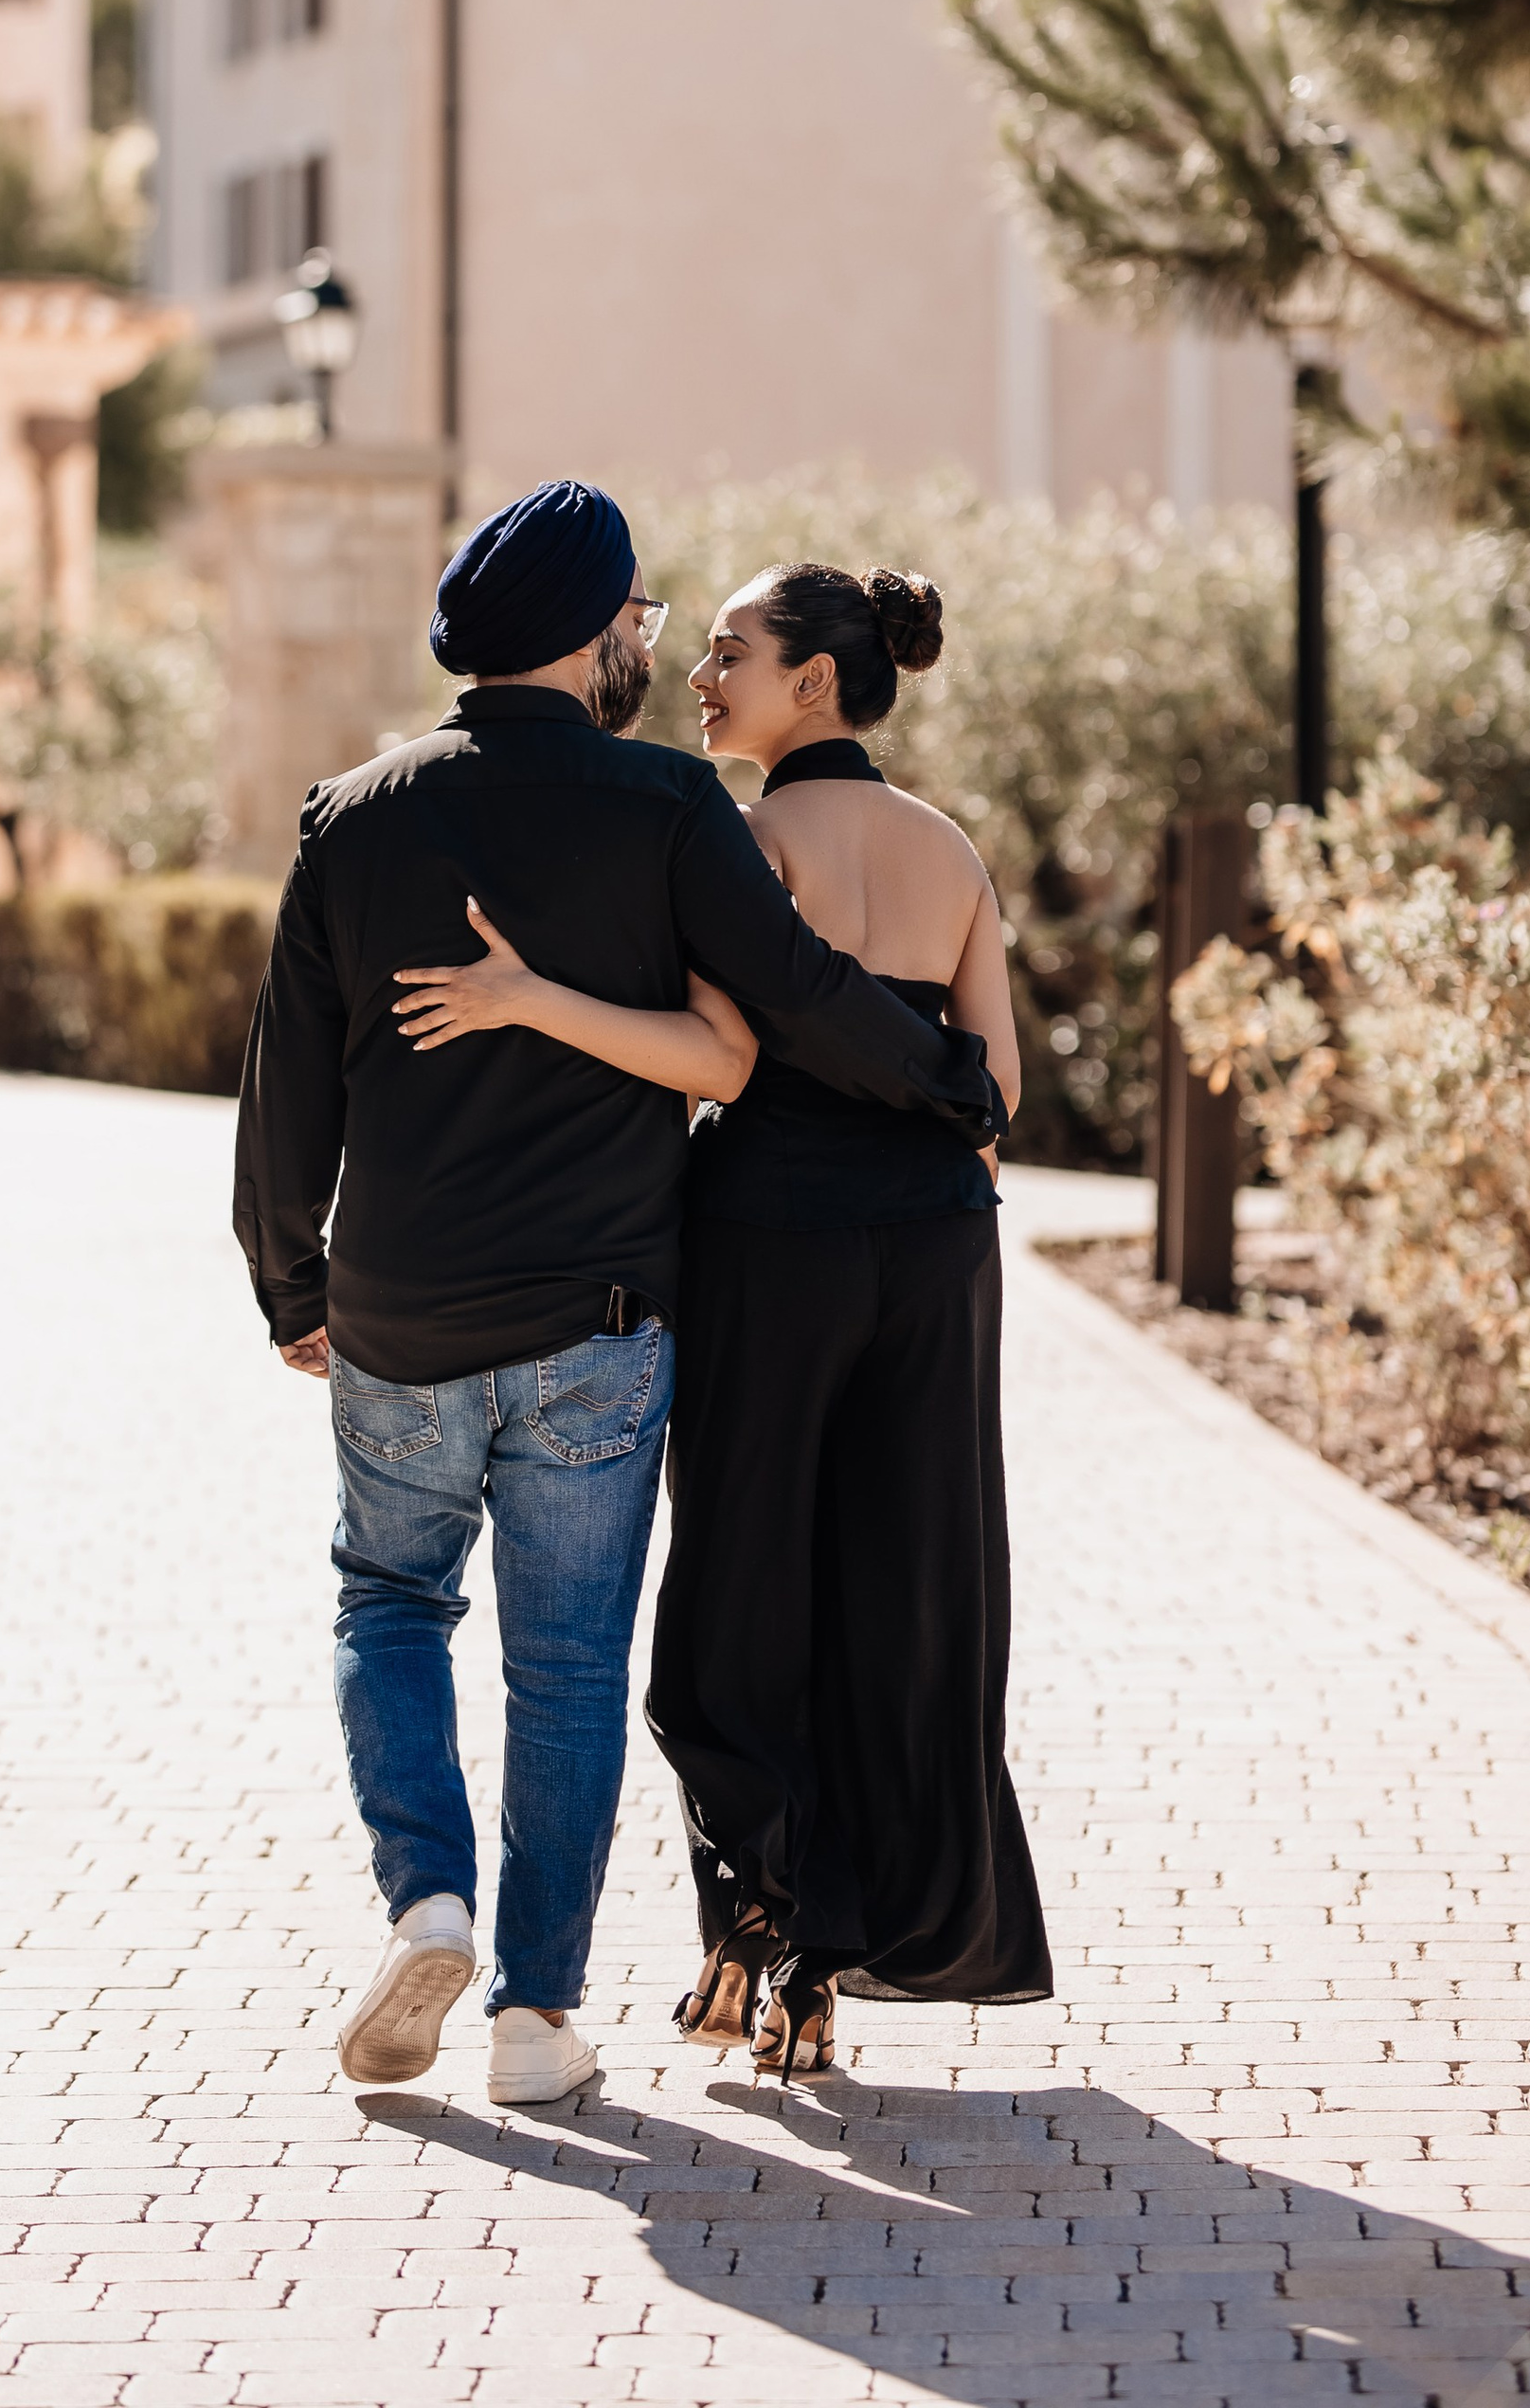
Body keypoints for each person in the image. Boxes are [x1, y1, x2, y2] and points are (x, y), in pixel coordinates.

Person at [233, 480, 1004, 2109]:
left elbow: (282, 1082)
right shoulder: (665, 806)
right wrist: (947, 1083)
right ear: (592, 642)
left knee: (389, 1604)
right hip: (599, 1318)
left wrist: (288, 1280)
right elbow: (788, 1003)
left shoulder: (351, 815)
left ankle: (425, 1900)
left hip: (401, 1312)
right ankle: (534, 2019)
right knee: (569, 1668)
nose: (658, 649)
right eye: (645, 623)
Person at [396, 555, 1052, 2085]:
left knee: (740, 1600)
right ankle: (830, 1963)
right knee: (903, 1586)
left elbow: (721, 1059)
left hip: (774, 1247)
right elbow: (997, 1092)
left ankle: (760, 1920)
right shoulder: (952, 849)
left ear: (814, 680)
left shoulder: (739, 839)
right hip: (945, 1259)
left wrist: (520, 1001)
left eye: (730, 652)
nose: (700, 675)